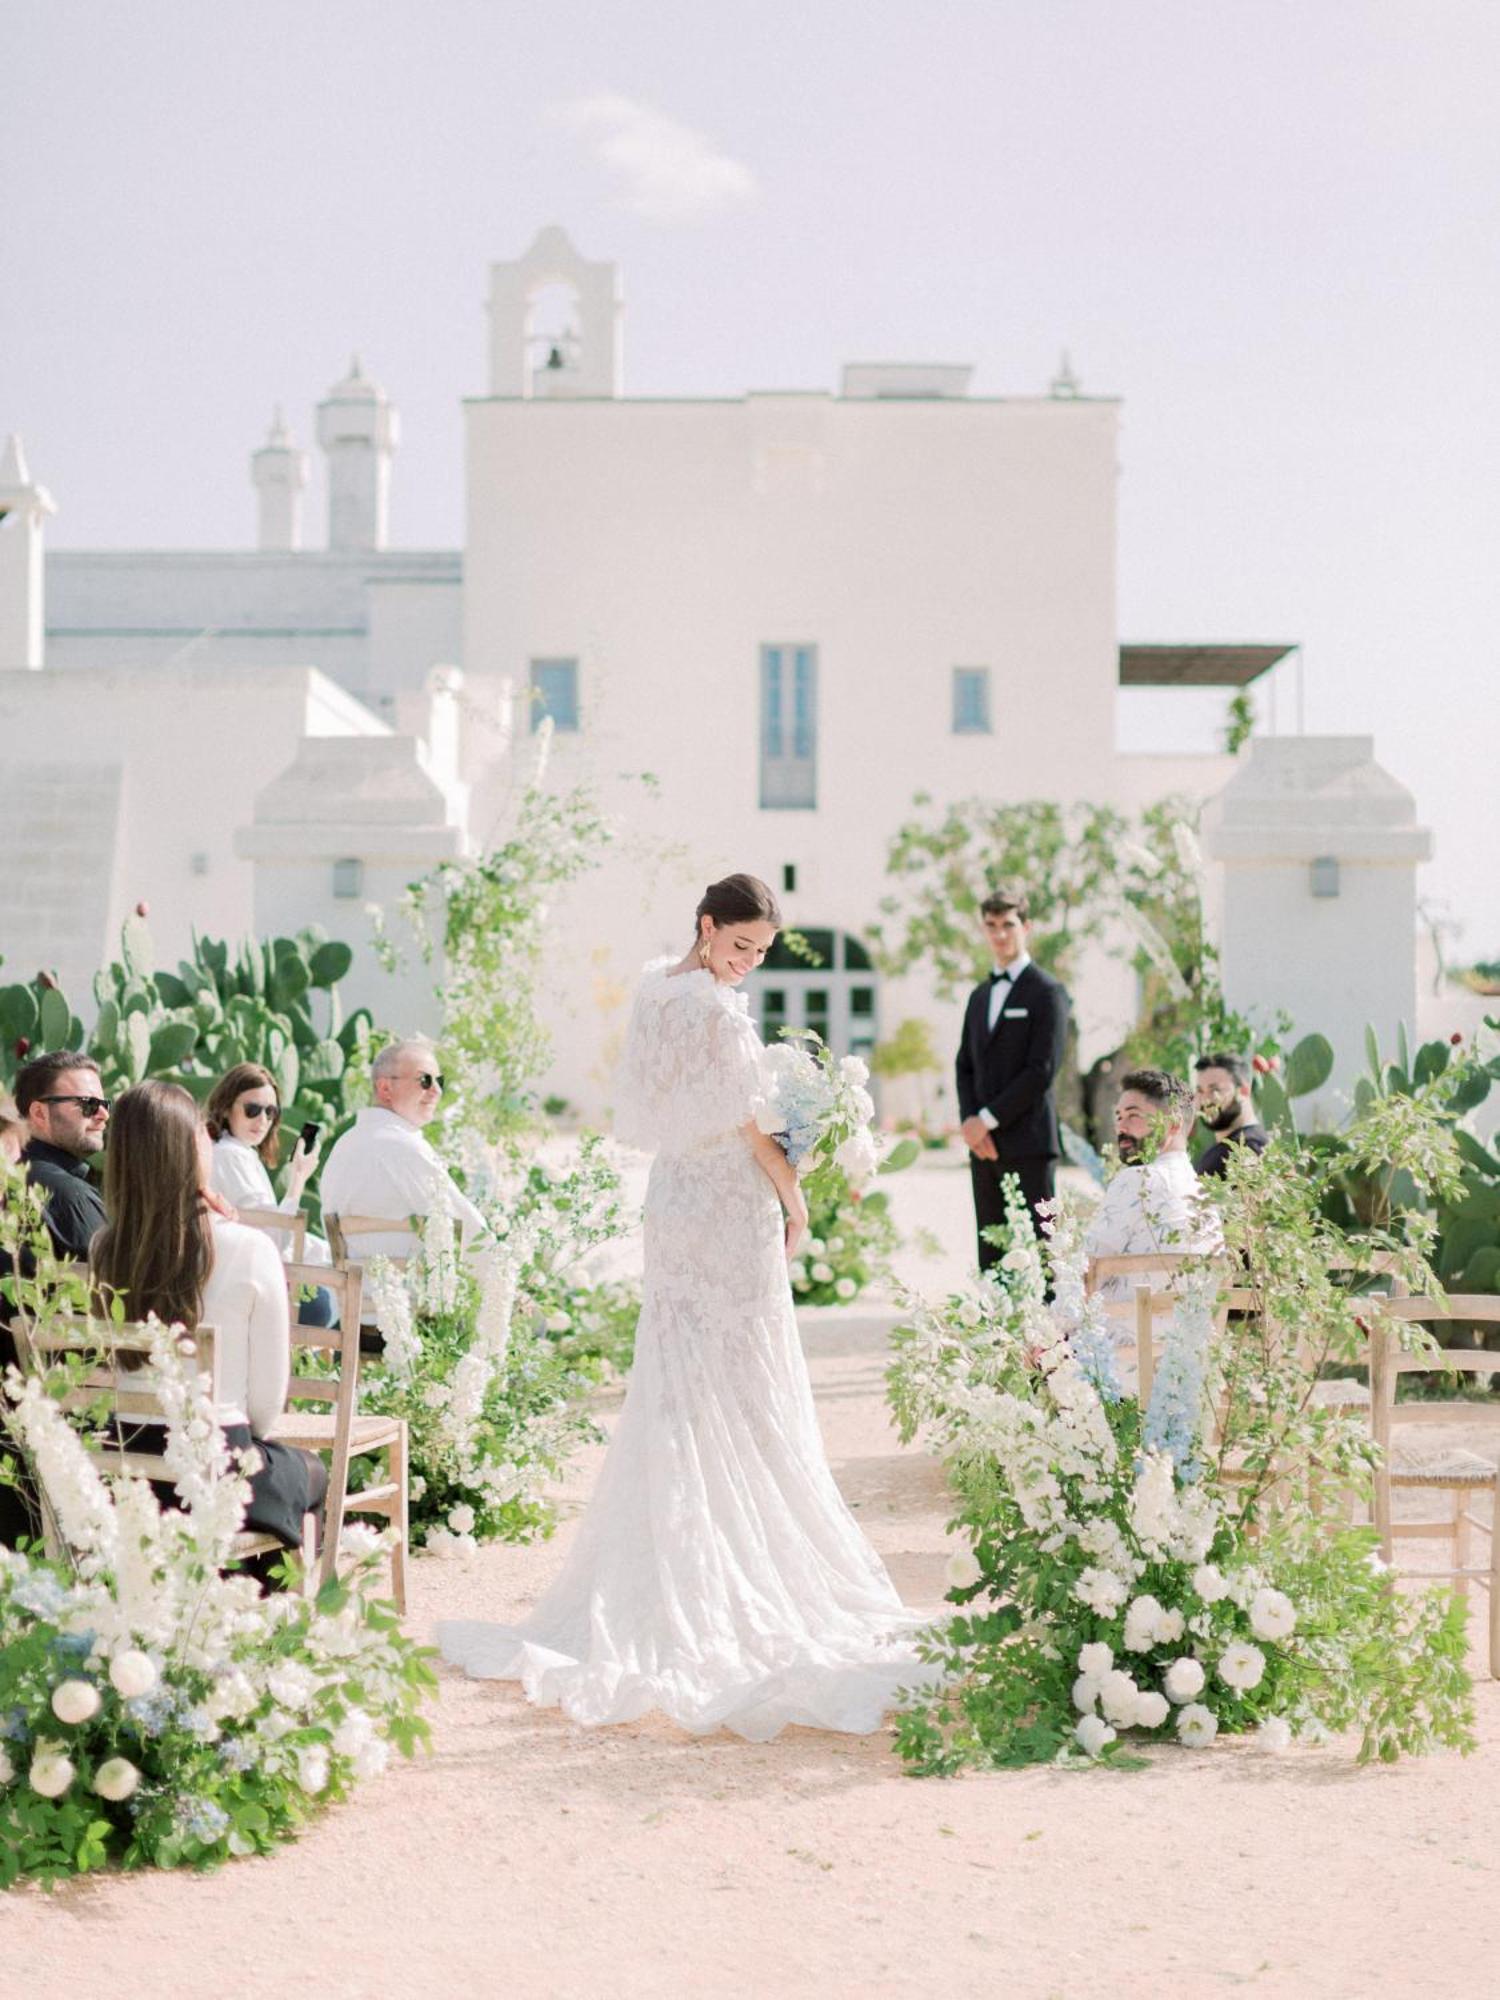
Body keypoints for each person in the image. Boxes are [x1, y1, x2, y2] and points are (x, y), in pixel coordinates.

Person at [439, 872, 937, 1738]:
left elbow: (659, 1110)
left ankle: (687, 1548)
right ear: (707, 926)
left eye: (759, 953)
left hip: (674, 1200)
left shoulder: (653, 989)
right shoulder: (715, 1009)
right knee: (741, 1378)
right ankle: (721, 1560)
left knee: (681, 1379)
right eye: (739, 945)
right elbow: (750, 1121)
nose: (746, 964)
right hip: (728, 1206)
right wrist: (795, 1193)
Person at [90, 1079, 326, 1558]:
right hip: (213, 1467)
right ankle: (277, 1611)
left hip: (125, 1466)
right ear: (190, 1150)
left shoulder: (103, 1249)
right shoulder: (248, 1248)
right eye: (202, 1131)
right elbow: (265, 1407)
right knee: (311, 1472)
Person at [955, 884, 1070, 1266]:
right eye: (991, 925)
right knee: (991, 1250)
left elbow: (1042, 1071)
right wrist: (971, 1124)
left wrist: (986, 1120)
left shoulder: (1048, 992)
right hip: (983, 1148)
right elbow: (965, 1065)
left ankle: (1051, 1327)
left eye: (1008, 924)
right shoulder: (979, 996)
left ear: (1027, 927)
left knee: (1042, 1251)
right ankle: (995, 1325)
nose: (999, 934)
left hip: (1031, 1144)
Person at [319, 1037, 484, 1261]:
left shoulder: (344, 1144)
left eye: (439, 1081)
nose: (436, 1091)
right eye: (425, 1080)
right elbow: (468, 1229)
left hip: (347, 1292)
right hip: (409, 1293)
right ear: (386, 1088)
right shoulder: (404, 1146)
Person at [206, 1062, 335, 1325]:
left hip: (242, 1275)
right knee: (327, 1302)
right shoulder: (232, 1157)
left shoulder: (233, 1152)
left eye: (271, 1112)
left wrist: (327, 1253)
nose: (262, 1120)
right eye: (252, 1109)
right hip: (247, 1282)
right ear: (226, 1107)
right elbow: (276, 1236)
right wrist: (298, 1178)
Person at [1084, 1068, 1222, 1299]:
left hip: (1127, 1331)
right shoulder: (1204, 1195)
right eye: (1118, 1116)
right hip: (1194, 1334)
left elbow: (1084, 1274)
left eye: (1133, 1115)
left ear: (1173, 1124)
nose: (1121, 1128)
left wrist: (1051, 1328)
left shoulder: (1138, 1179)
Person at [13, 1049, 110, 1260]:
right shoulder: (71, 1197)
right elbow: (117, 1285)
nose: (104, 1115)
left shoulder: (10, 1177)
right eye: (88, 1104)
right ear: (39, 1113)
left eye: (104, 1104)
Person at [1193, 1052, 1270, 1180]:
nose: (1205, 1100)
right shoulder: (1229, 1147)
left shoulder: (1249, 1148)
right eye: (1200, 1091)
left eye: (1215, 1090)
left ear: (1244, 1090)